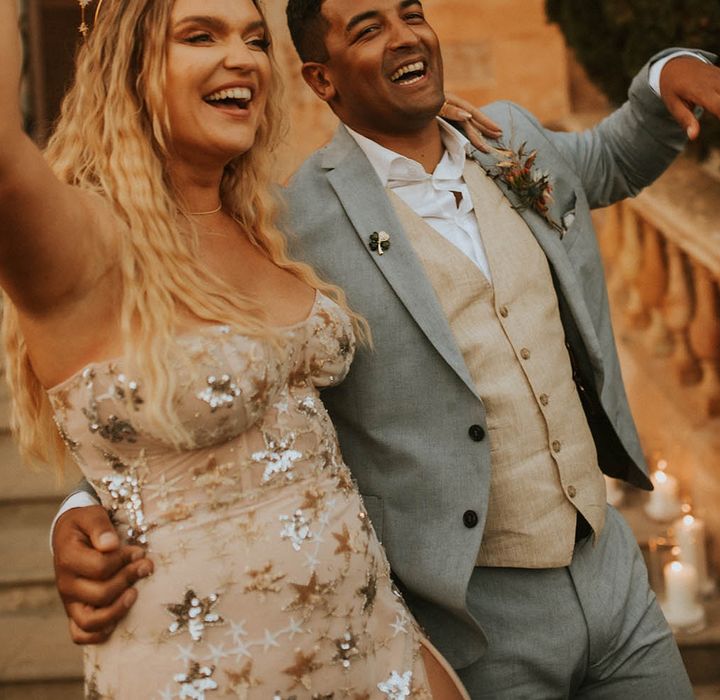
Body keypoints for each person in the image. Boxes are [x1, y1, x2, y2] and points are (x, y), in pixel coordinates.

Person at [50, 0, 720, 697]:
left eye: (412, 14)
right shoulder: (291, 226)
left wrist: (670, 71)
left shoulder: (506, 138)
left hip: (614, 576)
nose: (403, 37)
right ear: (322, 80)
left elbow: (610, 158)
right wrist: (86, 504)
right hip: (470, 618)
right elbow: (219, 386)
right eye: (368, 28)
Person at [1, 0, 475, 696]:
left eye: (255, 39)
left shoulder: (267, 225)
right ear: (126, 67)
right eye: (201, 36)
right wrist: (78, 512)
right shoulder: (84, 242)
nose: (245, 57)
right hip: (204, 668)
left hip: (377, 651)